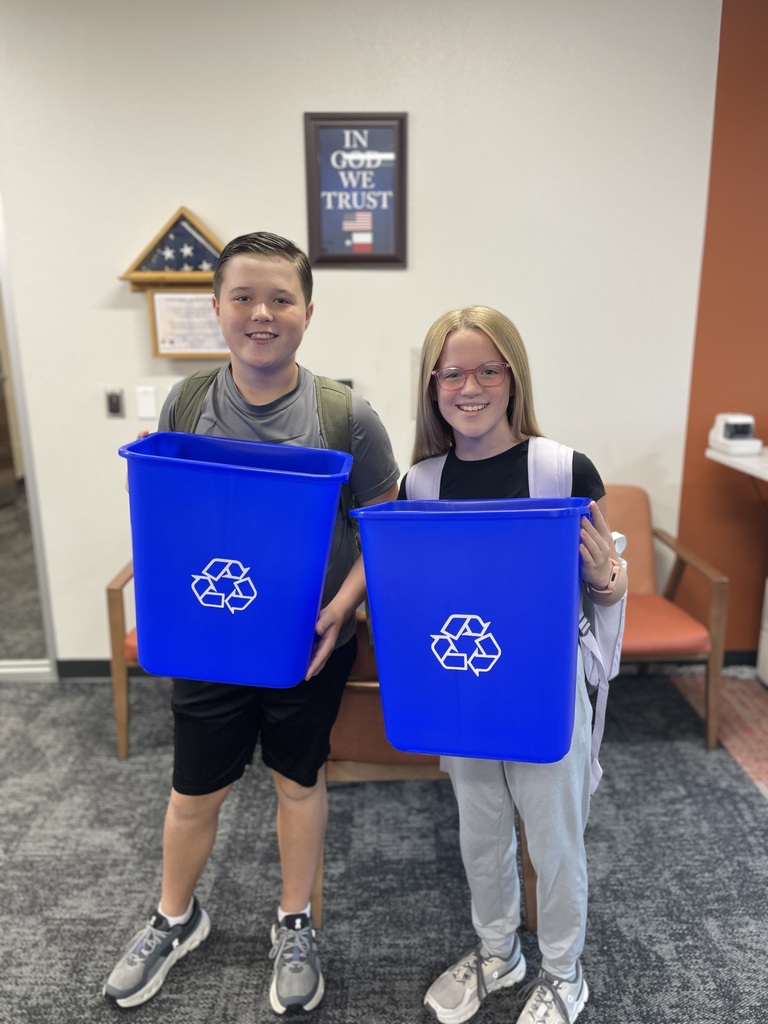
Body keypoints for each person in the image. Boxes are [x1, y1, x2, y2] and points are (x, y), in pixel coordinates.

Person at [103, 232, 399, 1013]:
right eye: (243, 297)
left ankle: (295, 921)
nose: (261, 313)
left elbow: (387, 527)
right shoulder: (190, 404)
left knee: (297, 781)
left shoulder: (346, 415)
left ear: (307, 311)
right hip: (211, 633)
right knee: (194, 789)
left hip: (311, 639)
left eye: (280, 299)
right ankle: (176, 918)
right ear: (216, 309)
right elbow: (172, 517)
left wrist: (343, 610)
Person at [401, 306, 627, 1024]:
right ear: (433, 386)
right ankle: (499, 953)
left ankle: (564, 971)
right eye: (453, 372)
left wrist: (608, 577)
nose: (470, 386)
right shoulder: (421, 484)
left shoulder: (561, 469)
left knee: (555, 838)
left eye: (487, 369)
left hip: (543, 689)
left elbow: (606, 583)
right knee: (482, 830)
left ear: (512, 377)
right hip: (467, 688)